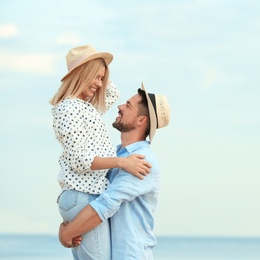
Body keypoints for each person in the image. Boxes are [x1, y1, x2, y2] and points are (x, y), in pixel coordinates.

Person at [50, 45, 152, 259]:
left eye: (101, 78)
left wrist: (98, 62)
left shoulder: (86, 107)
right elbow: (79, 160)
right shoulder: (69, 109)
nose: (99, 84)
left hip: (88, 195)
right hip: (83, 195)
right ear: (82, 74)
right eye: (95, 77)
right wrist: (122, 163)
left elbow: (111, 91)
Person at [59, 83, 170, 259]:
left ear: (141, 121)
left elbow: (106, 203)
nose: (119, 107)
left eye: (128, 105)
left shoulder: (142, 160)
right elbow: (93, 189)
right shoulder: (118, 156)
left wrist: (67, 232)